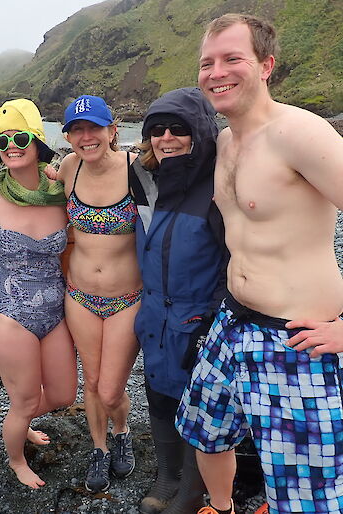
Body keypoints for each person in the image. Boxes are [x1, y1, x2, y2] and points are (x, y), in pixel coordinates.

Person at [174, 13, 343, 514]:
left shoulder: (300, 135)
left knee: (307, 489)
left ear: (266, 65)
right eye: (207, 63)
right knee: (207, 431)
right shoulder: (225, 140)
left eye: (232, 59)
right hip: (233, 322)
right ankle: (222, 507)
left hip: (296, 339)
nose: (216, 72)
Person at [0, 99, 77, 489]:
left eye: (19, 137)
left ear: (38, 143)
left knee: (64, 394)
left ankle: (23, 420)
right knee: (23, 401)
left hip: (55, 312)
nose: (11, 145)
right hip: (9, 315)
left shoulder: (62, 192)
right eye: (3, 140)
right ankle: (16, 458)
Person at [132, 87, 227, 514]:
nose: (166, 138)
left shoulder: (219, 183)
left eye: (178, 129)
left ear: (200, 132)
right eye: (157, 130)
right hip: (154, 311)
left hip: (198, 315)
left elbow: (237, 256)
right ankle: (167, 475)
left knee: (198, 405)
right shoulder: (145, 179)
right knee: (158, 393)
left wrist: (217, 315)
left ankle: (190, 489)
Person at [56, 95, 142, 493]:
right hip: (80, 296)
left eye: (93, 128)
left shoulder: (137, 169)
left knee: (111, 388)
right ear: (69, 137)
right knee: (91, 381)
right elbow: (29, 183)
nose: (85, 137)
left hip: (128, 297)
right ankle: (100, 447)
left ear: (112, 130)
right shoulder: (69, 169)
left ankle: (122, 430)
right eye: (77, 130)